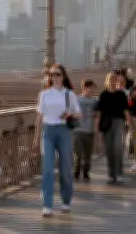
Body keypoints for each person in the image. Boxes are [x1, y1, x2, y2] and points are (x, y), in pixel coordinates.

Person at [34, 64, 81, 217]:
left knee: (65, 169)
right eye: (52, 74)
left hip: (64, 131)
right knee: (47, 169)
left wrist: (70, 114)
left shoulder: (69, 94)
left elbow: (79, 114)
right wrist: (36, 137)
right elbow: (39, 117)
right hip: (48, 131)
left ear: (63, 76)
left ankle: (66, 200)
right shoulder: (44, 94)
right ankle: (47, 205)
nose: (55, 77)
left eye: (58, 74)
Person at [96, 72, 130, 184]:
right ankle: (111, 173)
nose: (113, 81)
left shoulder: (121, 94)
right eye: (110, 79)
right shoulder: (103, 94)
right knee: (109, 149)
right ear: (107, 81)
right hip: (106, 123)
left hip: (118, 121)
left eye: (114, 79)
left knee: (117, 147)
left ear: (117, 81)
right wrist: (97, 127)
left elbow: (125, 110)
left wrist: (128, 123)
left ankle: (119, 173)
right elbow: (100, 113)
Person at [73, 79, 98, 182]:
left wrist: (96, 128)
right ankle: (76, 172)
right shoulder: (77, 100)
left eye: (93, 88)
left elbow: (98, 115)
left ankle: (86, 173)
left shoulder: (95, 101)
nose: (93, 90)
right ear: (85, 88)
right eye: (91, 88)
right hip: (78, 130)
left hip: (90, 131)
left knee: (88, 154)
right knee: (78, 154)